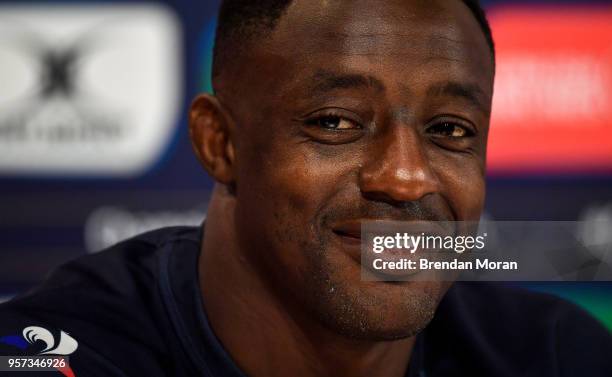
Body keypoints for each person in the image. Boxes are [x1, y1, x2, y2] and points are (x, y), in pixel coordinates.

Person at [1, 1, 611, 376]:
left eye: (449, 130)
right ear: (221, 144)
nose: (405, 177)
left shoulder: (557, 354)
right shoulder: (57, 351)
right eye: (336, 122)